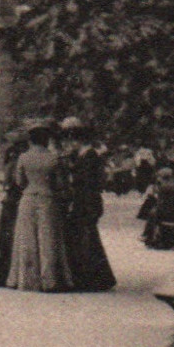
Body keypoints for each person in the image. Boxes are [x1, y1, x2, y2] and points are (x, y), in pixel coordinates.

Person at [5, 124, 73, 292]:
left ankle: (26, 279)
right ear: (46, 140)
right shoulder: (53, 158)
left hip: (28, 199)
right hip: (47, 199)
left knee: (27, 238)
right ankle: (50, 280)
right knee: (48, 238)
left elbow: (20, 182)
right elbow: (59, 183)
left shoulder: (23, 157)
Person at [62, 124, 116, 291]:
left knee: (86, 238)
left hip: (87, 201)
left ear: (78, 140)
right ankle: (95, 276)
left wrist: (72, 175)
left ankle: (91, 277)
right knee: (88, 238)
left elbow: (87, 180)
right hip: (86, 200)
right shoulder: (85, 155)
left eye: (72, 140)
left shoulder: (89, 156)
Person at [0, 131, 27, 287]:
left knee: (8, 235)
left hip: (12, 197)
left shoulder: (13, 157)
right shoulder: (20, 157)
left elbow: (9, 177)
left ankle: (3, 273)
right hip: (18, 196)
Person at [137, 167, 174, 249]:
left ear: (160, 178)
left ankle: (147, 235)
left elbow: (160, 203)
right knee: (154, 211)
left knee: (153, 212)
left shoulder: (163, 188)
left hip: (166, 217)